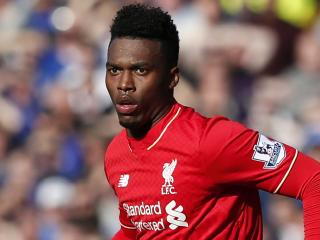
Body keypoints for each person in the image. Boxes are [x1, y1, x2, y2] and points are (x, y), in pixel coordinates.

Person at [104, 4, 320, 240]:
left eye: (140, 70)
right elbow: (135, 232)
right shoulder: (116, 154)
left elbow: (313, 179)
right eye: (114, 70)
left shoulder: (214, 140)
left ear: (172, 78)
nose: (124, 84)